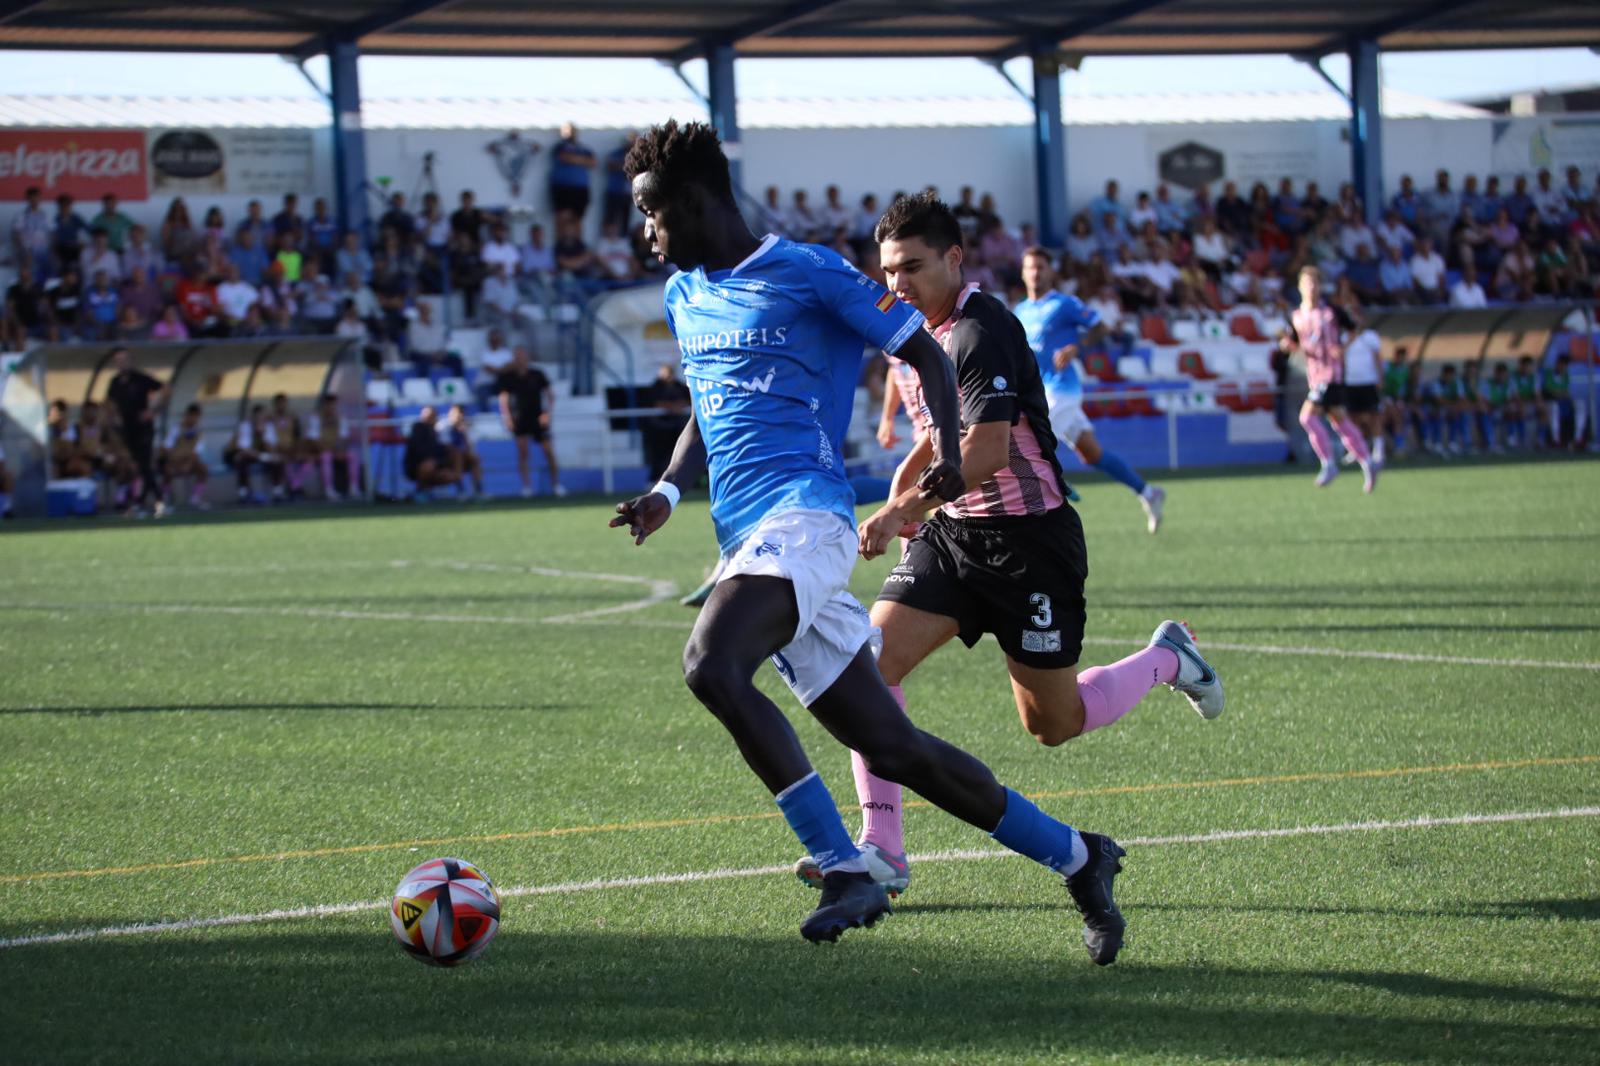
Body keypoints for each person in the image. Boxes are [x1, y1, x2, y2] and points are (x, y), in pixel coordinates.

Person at [609, 121, 1132, 961]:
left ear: (696, 199)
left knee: (711, 663)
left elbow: (923, 350)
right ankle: (1079, 856)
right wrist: (668, 489)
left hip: (807, 519)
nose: (645, 231)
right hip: (746, 536)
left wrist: (952, 463)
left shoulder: (808, 271)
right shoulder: (684, 297)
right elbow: (706, 411)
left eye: (651, 212)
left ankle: (841, 863)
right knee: (892, 745)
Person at [792, 191, 1221, 901]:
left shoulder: (981, 328)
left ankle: (1170, 658)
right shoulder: (910, 331)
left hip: (1030, 545)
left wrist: (900, 507)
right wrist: (905, 500)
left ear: (955, 259)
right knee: (865, 666)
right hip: (954, 537)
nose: (897, 284)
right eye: (889, 270)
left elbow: (985, 451)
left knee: (1053, 724)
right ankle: (883, 851)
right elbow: (938, 428)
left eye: (914, 267)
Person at [1012, 247, 1165, 533]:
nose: (1035, 273)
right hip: (1036, 391)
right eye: (1030, 267)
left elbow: (1101, 328)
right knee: (1091, 453)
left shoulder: (1064, 304)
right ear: (1023, 272)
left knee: (1032, 443)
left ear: (1051, 271)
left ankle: (1056, 487)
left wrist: (1077, 347)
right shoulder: (1020, 310)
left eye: (1041, 267)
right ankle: (1148, 492)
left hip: (1062, 390)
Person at [1288, 266, 1377, 491]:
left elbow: (1354, 328)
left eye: (1315, 283)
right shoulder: (1297, 316)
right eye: (1307, 283)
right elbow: (1296, 345)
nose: (1311, 287)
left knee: (1306, 418)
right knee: (1338, 420)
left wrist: (1343, 348)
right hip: (1314, 375)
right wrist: (1288, 346)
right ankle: (1367, 461)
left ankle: (1328, 464)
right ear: (1299, 287)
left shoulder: (1331, 312)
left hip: (1331, 375)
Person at [104, 347, 167, 516]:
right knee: (139, 466)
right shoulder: (115, 382)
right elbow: (110, 403)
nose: (121, 363)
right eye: (118, 360)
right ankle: (147, 501)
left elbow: (165, 388)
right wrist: (113, 418)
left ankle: (153, 501)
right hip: (127, 429)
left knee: (144, 463)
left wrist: (152, 410)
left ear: (130, 361)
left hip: (144, 428)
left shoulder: (141, 379)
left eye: (124, 360)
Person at [497, 348, 565, 497]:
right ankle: (527, 487)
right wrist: (507, 417)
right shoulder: (508, 377)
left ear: (527, 358)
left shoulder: (537, 374)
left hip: (537, 417)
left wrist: (547, 413)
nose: (520, 359)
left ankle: (556, 484)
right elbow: (503, 398)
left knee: (548, 451)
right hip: (519, 418)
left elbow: (550, 395)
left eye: (522, 356)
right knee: (522, 452)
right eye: (517, 356)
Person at [1341, 311, 1385, 464]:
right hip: (1350, 383)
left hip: (1368, 382)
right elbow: (1339, 356)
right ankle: (1357, 449)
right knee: (1352, 418)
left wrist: (1380, 378)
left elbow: (1378, 358)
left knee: (1374, 416)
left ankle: (1378, 449)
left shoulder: (1370, 336)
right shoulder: (1343, 337)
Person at [305, 393, 361, 501]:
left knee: (353, 456)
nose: (331, 408)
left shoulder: (340, 418)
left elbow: (344, 438)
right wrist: (327, 449)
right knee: (326, 457)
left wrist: (340, 450)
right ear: (324, 406)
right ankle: (329, 490)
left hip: (337, 450)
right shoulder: (316, 418)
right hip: (322, 451)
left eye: (333, 405)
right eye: (329, 405)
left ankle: (354, 487)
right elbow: (313, 440)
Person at [223, 403, 281, 503]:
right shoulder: (245, 426)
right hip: (234, 454)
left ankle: (278, 492)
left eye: (263, 417)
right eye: (258, 417)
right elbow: (244, 449)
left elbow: (272, 448)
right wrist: (264, 456)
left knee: (278, 461)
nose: (261, 419)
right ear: (253, 417)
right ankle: (243, 493)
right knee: (241, 460)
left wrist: (263, 435)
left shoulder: (268, 426)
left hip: (256, 454)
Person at [159, 403, 210, 510]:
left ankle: (195, 498)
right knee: (167, 471)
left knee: (203, 470)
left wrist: (188, 464)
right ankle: (165, 498)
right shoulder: (176, 429)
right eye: (193, 416)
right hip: (174, 461)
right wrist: (174, 460)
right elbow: (166, 448)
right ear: (187, 415)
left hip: (189, 462)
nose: (195, 419)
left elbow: (196, 452)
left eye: (197, 417)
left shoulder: (198, 432)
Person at [402, 405, 460, 500]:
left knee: (449, 469)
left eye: (431, 416)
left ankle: (459, 490)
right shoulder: (418, 429)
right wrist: (432, 462)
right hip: (415, 467)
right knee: (428, 466)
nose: (428, 419)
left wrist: (440, 464)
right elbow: (420, 452)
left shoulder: (438, 432)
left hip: (436, 466)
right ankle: (421, 491)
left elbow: (442, 453)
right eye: (426, 416)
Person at [442, 403, 484, 499]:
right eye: (457, 413)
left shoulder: (467, 427)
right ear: (450, 413)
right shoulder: (443, 426)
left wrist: (464, 432)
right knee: (458, 455)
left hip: (463, 456)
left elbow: (470, 446)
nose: (460, 416)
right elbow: (445, 446)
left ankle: (479, 490)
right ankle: (460, 490)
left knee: (475, 459)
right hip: (446, 458)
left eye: (462, 413)